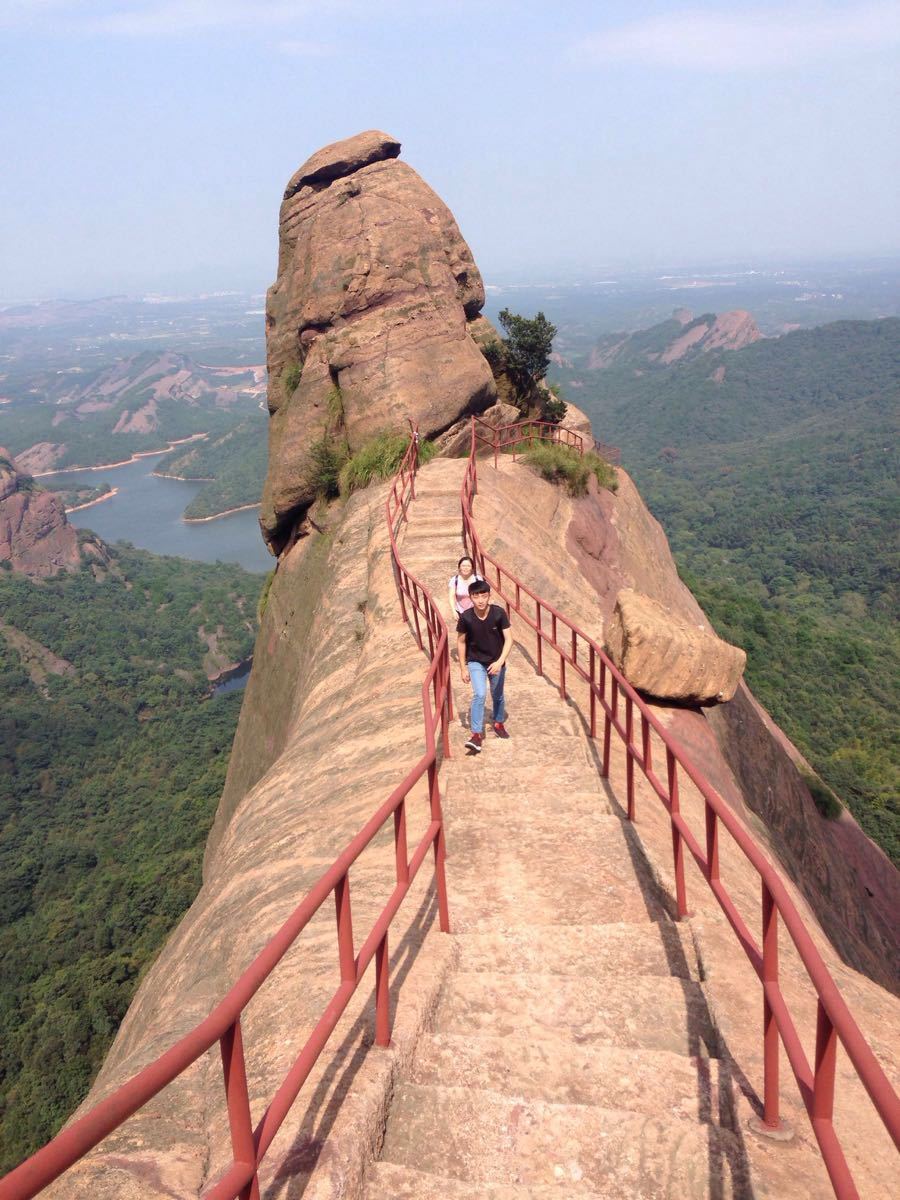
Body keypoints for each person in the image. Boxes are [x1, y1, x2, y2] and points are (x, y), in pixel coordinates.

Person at [456, 578, 513, 753]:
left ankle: (498, 722)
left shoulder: (498, 613)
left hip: (496, 660)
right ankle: (476, 735)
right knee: (480, 694)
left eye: (484, 595)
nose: (480, 600)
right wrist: (463, 668)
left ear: (489, 596)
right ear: (471, 598)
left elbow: (510, 639)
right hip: (476, 662)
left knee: (497, 695)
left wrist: (500, 661)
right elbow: (461, 642)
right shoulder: (466, 617)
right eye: (476, 596)